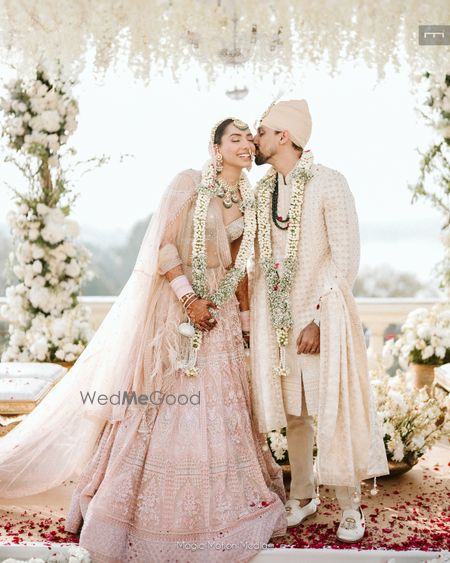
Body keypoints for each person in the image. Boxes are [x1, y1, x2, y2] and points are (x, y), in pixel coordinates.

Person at [0, 118, 286, 561]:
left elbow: (239, 266)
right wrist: (188, 298)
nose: (246, 145)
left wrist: (244, 322)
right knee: (171, 400)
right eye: (236, 138)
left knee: (222, 402)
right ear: (214, 147)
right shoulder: (188, 183)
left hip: (222, 312)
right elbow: (164, 246)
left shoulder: (250, 197)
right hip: (180, 307)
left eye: (250, 139)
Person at [249, 99, 389, 543]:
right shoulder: (263, 191)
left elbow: (345, 258)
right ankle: (303, 496)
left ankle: (350, 506)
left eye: (262, 130)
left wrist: (320, 321)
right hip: (279, 320)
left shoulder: (330, 184)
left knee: (334, 409)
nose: (256, 138)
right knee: (296, 414)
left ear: (284, 137)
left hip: (323, 317)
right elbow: (253, 254)